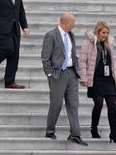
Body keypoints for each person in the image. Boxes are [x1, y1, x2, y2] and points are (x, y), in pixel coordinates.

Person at [42, 12, 88, 146]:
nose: (74, 25)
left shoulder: (70, 35)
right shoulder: (51, 35)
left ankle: (75, 134)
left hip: (71, 73)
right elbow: (45, 57)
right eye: (73, 23)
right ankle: (50, 131)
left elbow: (72, 54)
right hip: (58, 74)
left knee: (74, 104)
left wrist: (77, 67)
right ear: (65, 22)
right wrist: (50, 73)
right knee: (56, 104)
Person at [80, 21, 116, 143]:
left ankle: (114, 134)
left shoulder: (109, 43)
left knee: (112, 106)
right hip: (96, 78)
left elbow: (111, 61)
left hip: (108, 79)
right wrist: (84, 78)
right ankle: (94, 129)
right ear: (97, 32)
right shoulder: (88, 43)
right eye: (103, 33)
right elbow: (82, 61)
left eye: (107, 33)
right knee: (98, 104)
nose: (105, 35)